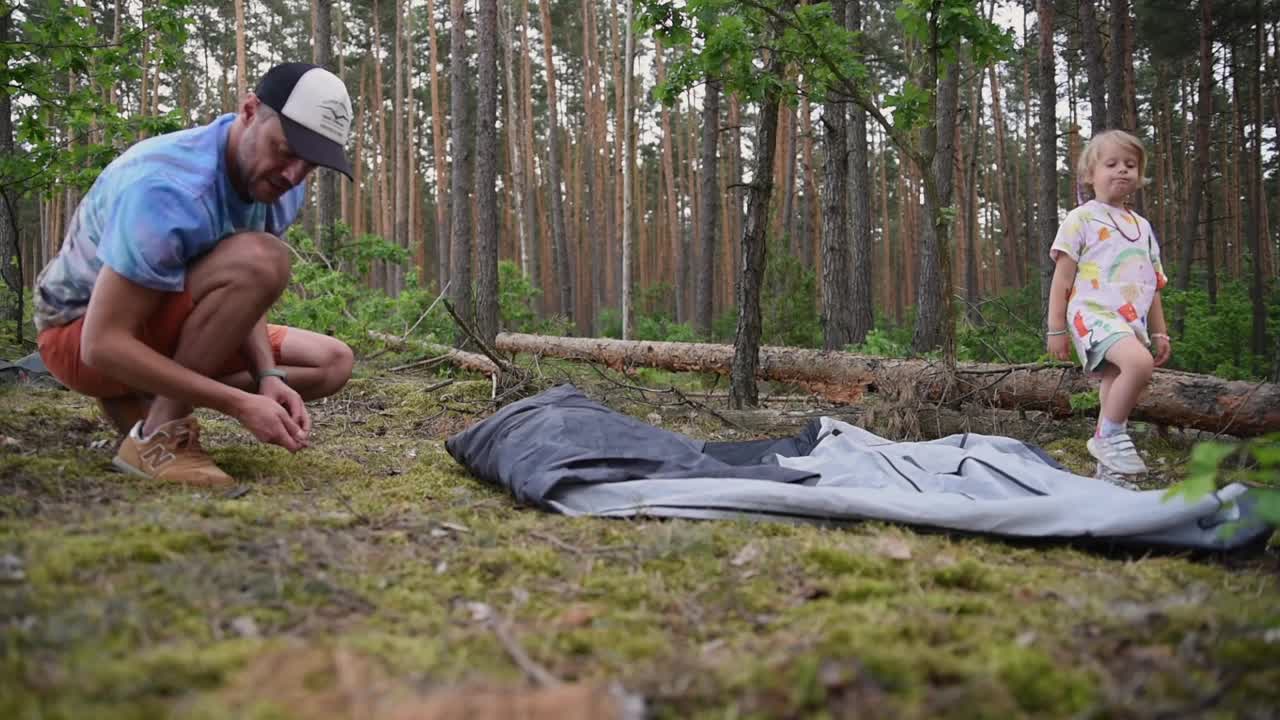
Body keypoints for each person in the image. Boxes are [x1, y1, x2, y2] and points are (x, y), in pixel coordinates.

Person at [33, 62, 357, 488]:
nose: (294, 175)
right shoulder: (167, 190)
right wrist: (239, 403)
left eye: (310, 164)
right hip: (79, 338)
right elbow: (101, 344)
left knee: (332, 363)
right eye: (286, 149)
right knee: (264, 258)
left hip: (163, 317)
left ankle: (140, 395)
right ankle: (157, 436)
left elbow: (244, 295)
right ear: (249, 110)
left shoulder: (275, 184)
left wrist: (267, 377)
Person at [1046, 129, 1171, 487]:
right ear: (1090, 174)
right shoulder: (1081, 219)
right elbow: (1062, 279)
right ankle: (1109, 437)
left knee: (1116, 380)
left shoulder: (1142, 227)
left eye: (1130, 165)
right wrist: (1056, 328)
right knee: (1138, 364)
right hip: (1092, 314)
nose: (1122, 171)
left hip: (1129, 320)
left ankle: (1111, 473)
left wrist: (1159, 330)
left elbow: (1154, 284)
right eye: (1112, 164)